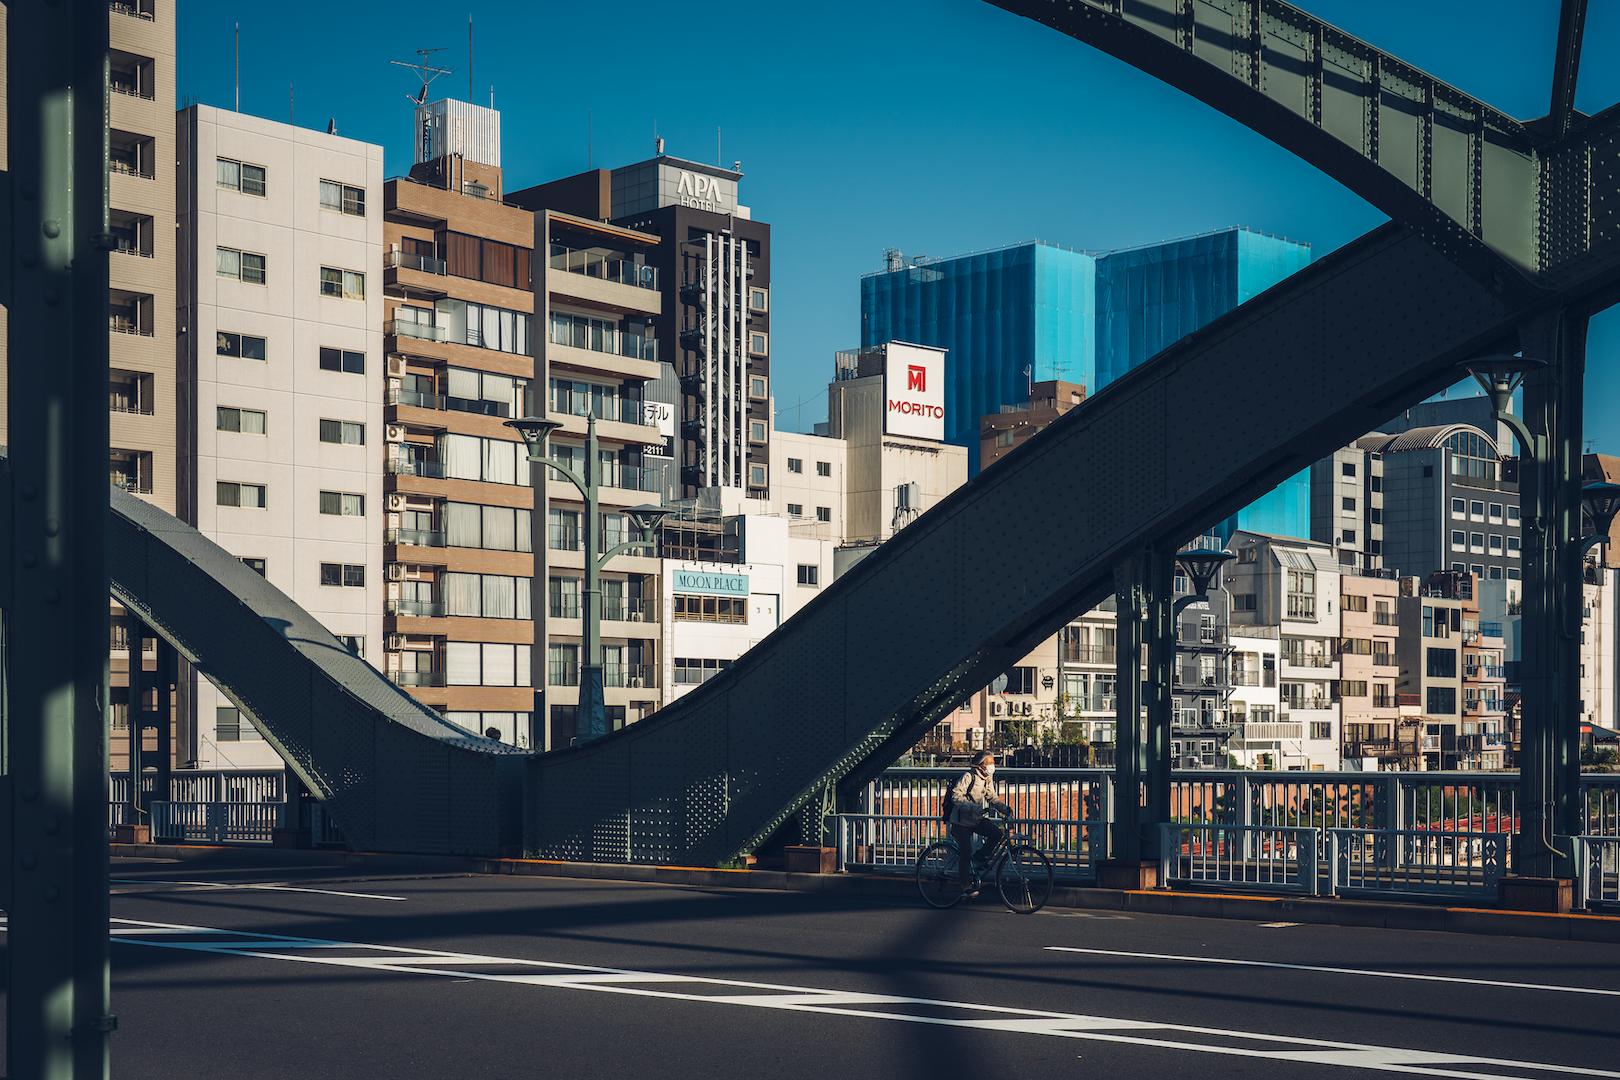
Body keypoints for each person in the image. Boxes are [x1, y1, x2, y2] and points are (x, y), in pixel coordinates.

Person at [949, 750, 1012, 896]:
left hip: (976, 818)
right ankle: (965, 887)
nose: (992, 765)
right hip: (961, 821)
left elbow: (992, 797)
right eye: (990, 763)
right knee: (965, 854)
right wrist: (973, 807)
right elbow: (956, 796)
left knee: (996, 834)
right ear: (982, 765)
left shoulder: (987, 778)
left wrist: (1004, 809)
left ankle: (980, 856)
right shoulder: (969, 776)